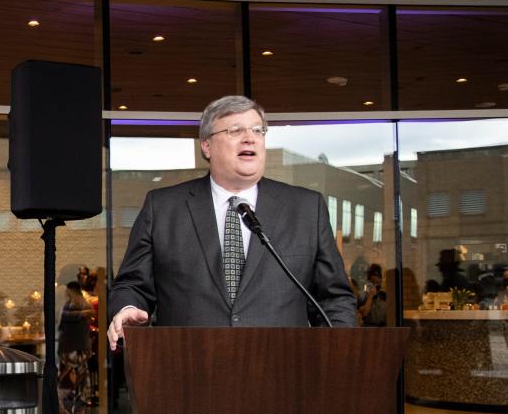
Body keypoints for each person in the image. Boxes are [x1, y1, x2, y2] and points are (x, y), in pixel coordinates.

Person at [107, 95, 356, 350]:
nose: (250, 137)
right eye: (235, 130)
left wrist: (339, 353)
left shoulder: (305, 208)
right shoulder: (162, 207)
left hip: (282, 375)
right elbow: (132, 284)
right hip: (188, 371)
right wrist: (127, 309)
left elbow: (333, 299)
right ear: (207, 146)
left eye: (258, 130)